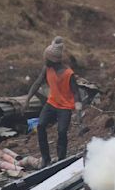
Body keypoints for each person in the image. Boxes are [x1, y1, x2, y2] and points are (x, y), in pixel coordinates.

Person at [24, 36, 82, 168]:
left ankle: (61, 159)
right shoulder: (47, 69)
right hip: (52, 103)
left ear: (53, 60)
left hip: (65, 107)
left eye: (46, 59)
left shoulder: (68, 74)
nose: (44, 61)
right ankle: (46, 158)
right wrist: (27, 99)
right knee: (41, 126)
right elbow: (37, 82)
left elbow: (76, 93)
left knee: (62, 132)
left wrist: (78, 112)